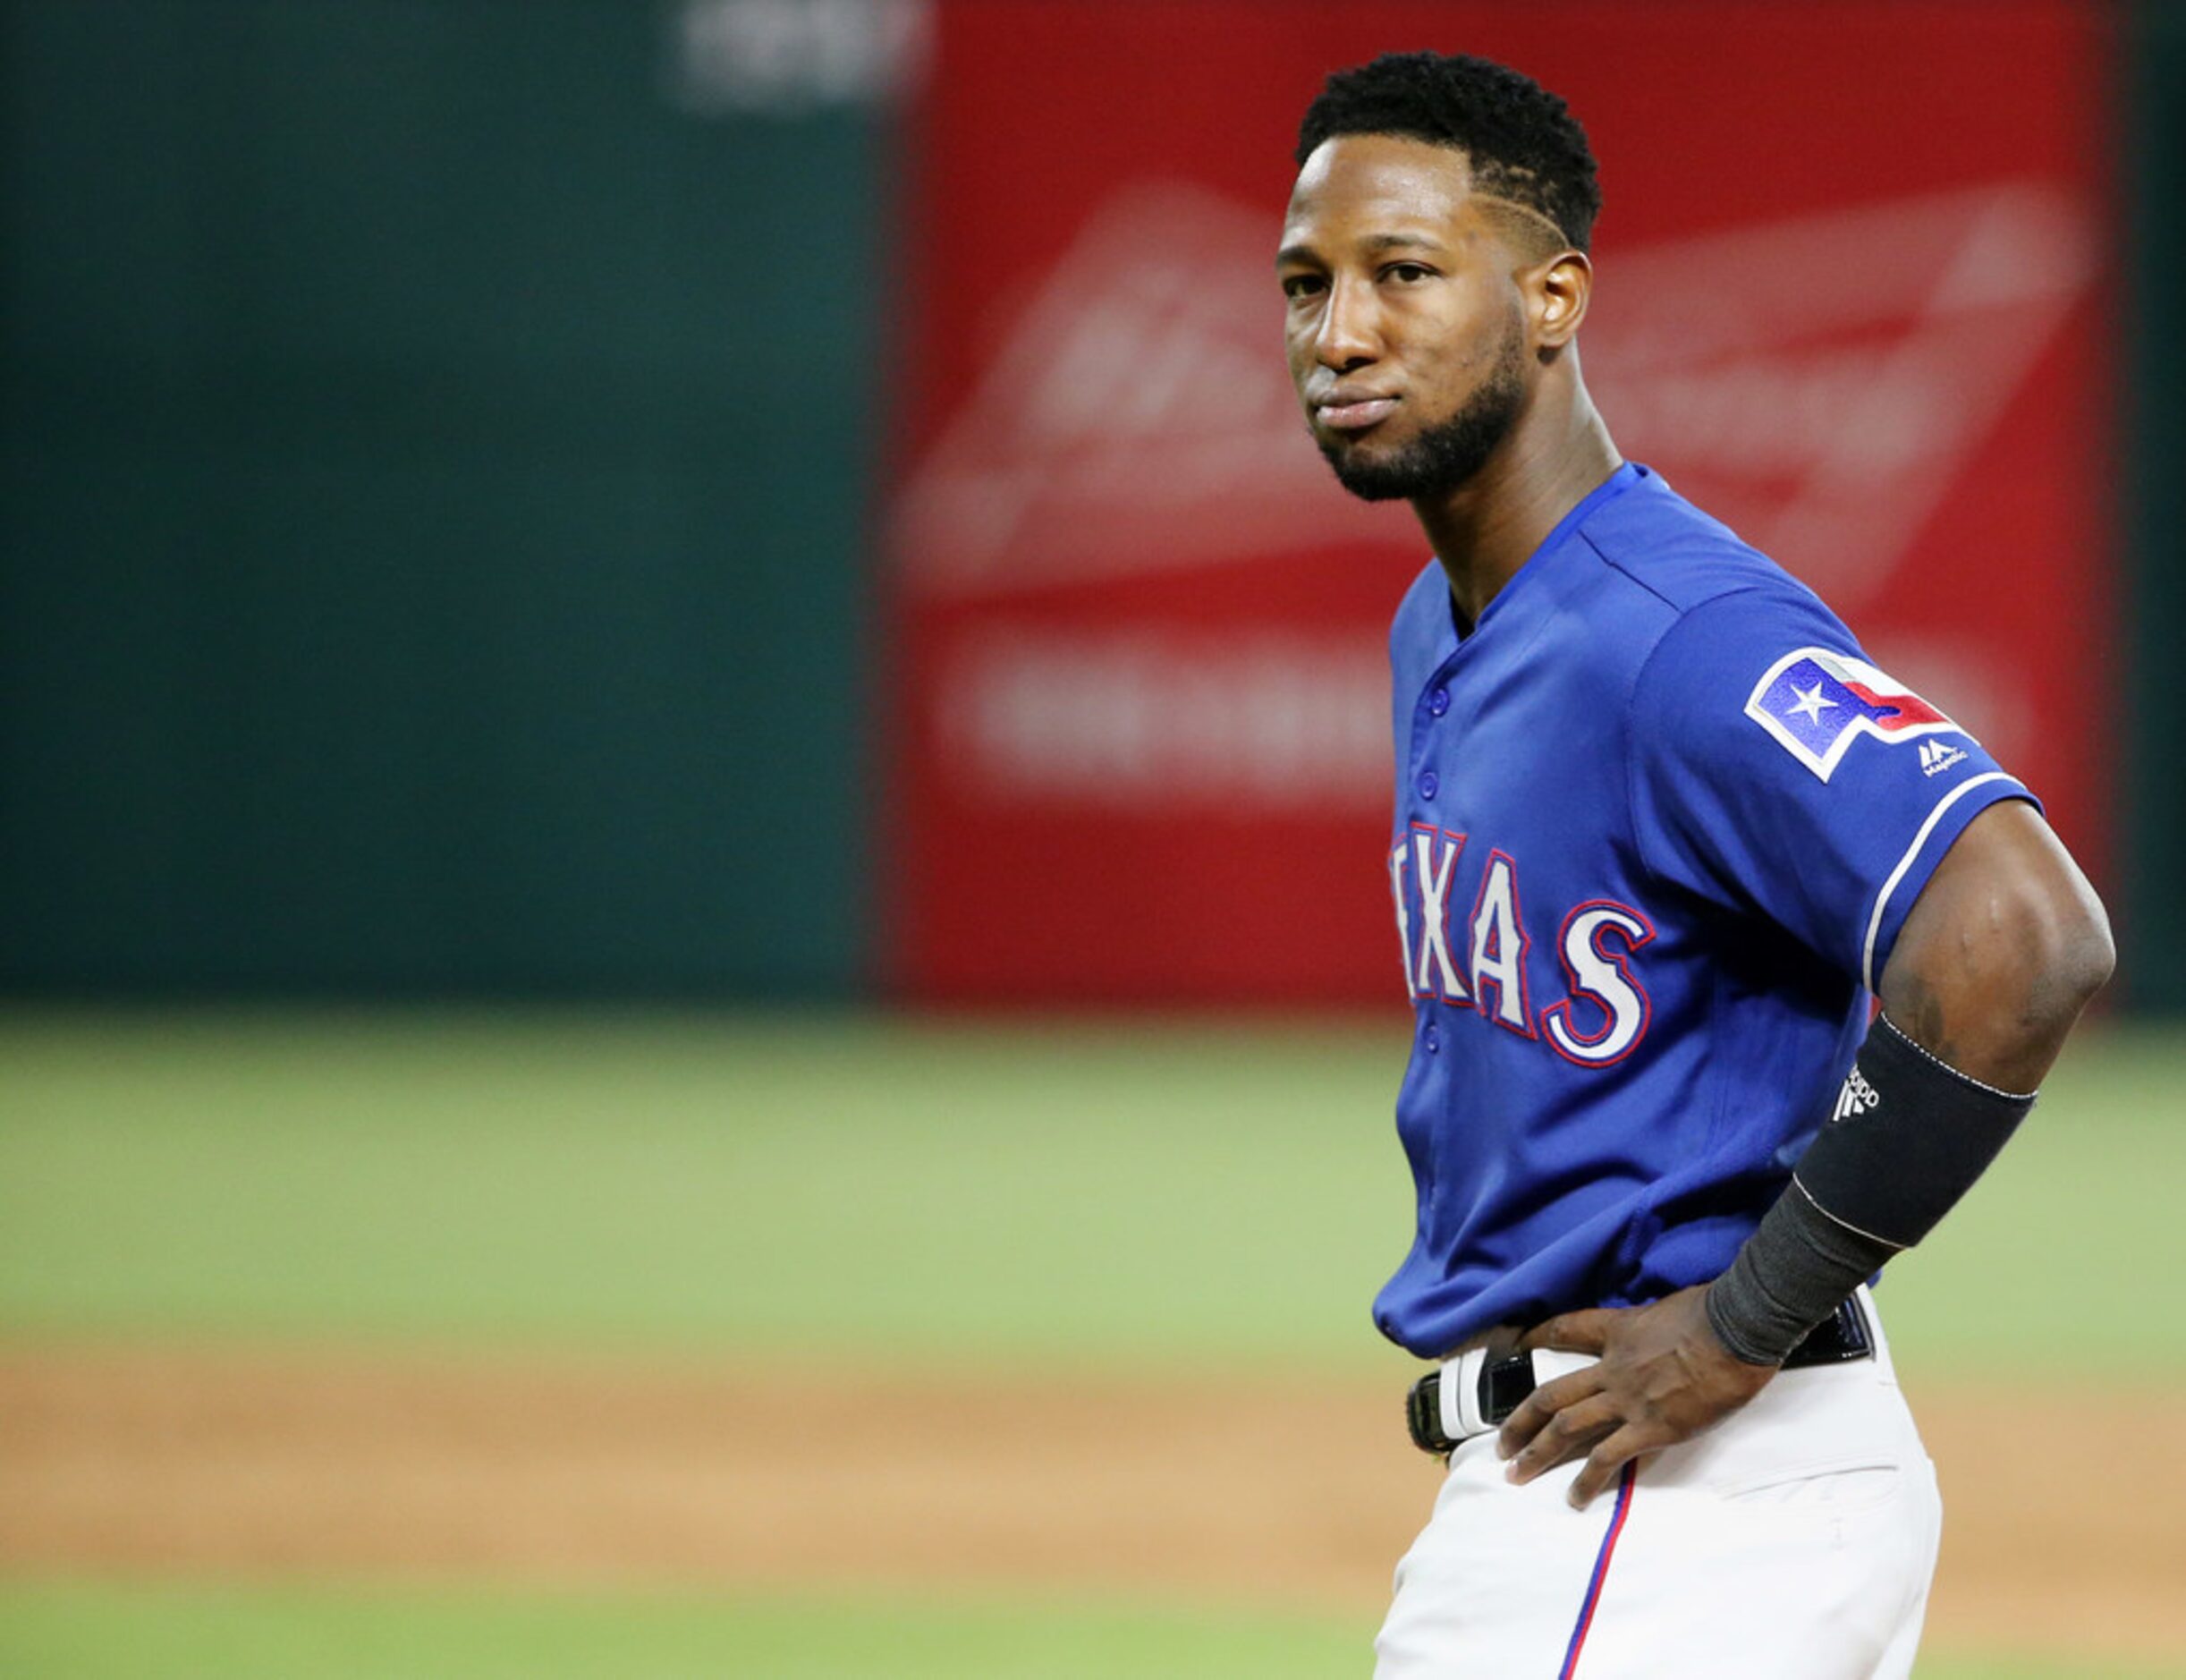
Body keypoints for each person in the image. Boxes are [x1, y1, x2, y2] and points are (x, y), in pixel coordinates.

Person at [1277, 51, 2114, 1678]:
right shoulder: (1442, 621)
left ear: (1553, 297)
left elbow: (2024, 932)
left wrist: (1741, 1322)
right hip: (1610, 1492)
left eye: (1403, 274)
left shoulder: (1680, 633)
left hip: (1684, 1497)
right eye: (1307, 284)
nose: (1340, 335)